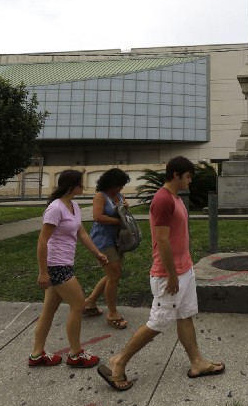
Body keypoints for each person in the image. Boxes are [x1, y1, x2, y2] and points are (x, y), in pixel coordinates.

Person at [97, 156, 224, 391]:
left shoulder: (174, 198)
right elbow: (162, 241)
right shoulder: (163, 200)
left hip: (184, 270)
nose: (190, 181)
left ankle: (197, 362)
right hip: (169, 275)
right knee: (158, 322)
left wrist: (184, 269)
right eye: (188, 176)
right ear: (176, 174)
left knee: (185, 315)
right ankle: (119, 361)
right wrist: (173, 275)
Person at [28, 169, 108, 368]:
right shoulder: (55, 208)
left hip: (63, 263)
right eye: (81, 182)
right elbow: (42, 241)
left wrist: (97, 253)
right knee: (78, 305)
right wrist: (43, 272)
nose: (84, 185)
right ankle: (75, 354)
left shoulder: (73, 205)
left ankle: (36, 355)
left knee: (48, 310)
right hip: (56, 265)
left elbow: (82, 234)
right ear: (72, 185)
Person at [84, 168, 131, 329]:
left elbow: (123, 213)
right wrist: (118, 221)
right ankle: (112, 313)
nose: (121, 189)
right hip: (103, 241)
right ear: (111, 183)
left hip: (118, 240)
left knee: (113, 274)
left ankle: (89, 302)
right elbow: (97, 217)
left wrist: (125, 207)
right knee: (114, 275)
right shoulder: (100, 196)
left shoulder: (119, 196)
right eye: (119, 185)